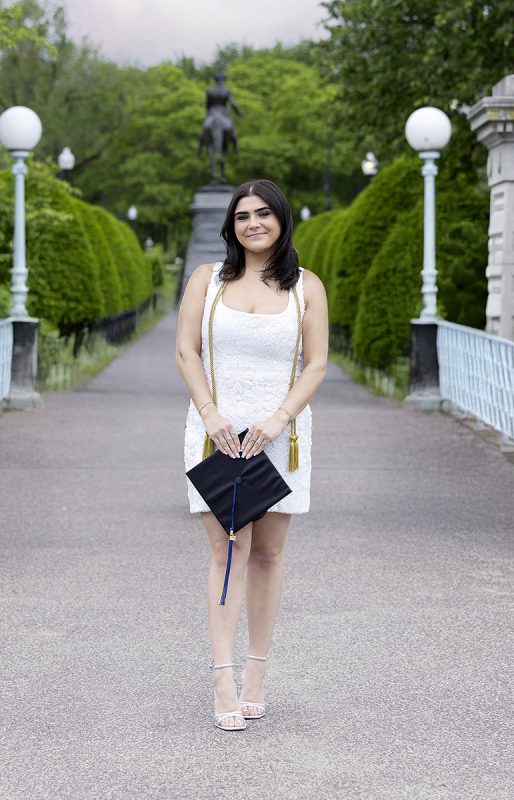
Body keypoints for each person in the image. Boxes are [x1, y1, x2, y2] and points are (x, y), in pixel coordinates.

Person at [175, 179, 329, 731]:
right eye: (243, 216)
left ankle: (257, 674)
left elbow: (315, 364)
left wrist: (278, 418)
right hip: (217, 435)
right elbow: (186, 349)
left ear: (282, 220)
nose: (253, 224)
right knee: (226, 554)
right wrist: (212, 413)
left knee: (268, 555)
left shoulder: (307, 286)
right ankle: (222, 676)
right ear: (231, 225)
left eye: (264, 214)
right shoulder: (207, 280)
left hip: (279, 436)